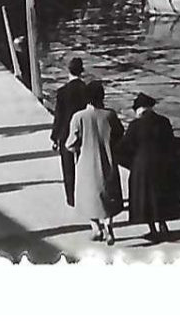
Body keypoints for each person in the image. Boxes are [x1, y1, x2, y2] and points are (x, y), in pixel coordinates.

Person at [66, 81, 125, 246]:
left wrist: (78, 148)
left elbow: (70, 143)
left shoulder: (79, 117)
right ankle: (108, 225)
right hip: (108, 160)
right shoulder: (110, 115)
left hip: (86, 163)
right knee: (109, 194)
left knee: (88, 197)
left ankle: (96, 228)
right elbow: (120, 135)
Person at [116, 93, 180, 242]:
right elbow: (171, 143)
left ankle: (152, 229)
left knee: (145, 198)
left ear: (139, 109)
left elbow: (124, 147)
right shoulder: (164, 122)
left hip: (142, 165)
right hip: (162, 164)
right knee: (160, 194)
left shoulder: (135, 125)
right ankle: (163, 224)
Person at [51, 59, 93, 207]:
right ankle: (87, 195)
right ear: (82, 71)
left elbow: (59, 117)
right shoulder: (87, 90)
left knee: (68, 167)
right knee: (86, 166)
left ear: (69, 71)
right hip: (85, 132)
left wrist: (55, 137)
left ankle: (71, 198)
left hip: (65, 133)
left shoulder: (62, 92)